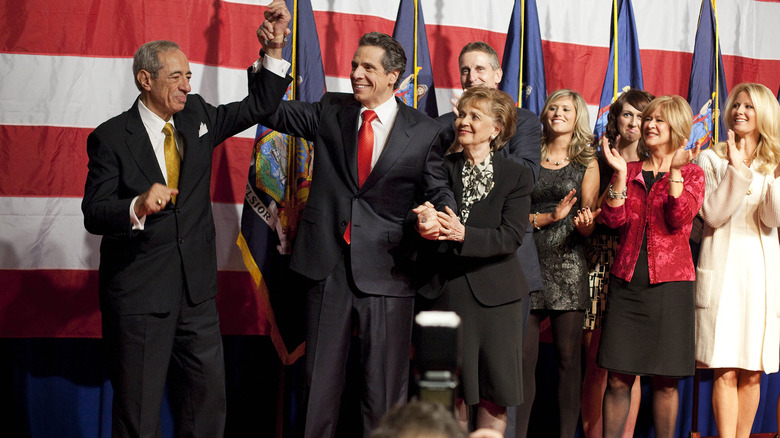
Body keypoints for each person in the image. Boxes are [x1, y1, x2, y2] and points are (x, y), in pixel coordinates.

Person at [80, 3, 292, 436]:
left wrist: (273, 46)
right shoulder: (111, 137)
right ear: (145, 80)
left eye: (189, 76)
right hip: (140, 298)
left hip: (196, 296)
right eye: (176, 76)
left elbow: (260, 105)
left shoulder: (197, 115)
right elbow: (94, 212)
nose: (186, 85)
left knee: (207, 406)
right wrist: (137, 205)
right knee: (138, 415)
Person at [256, 15, 456, 435]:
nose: (356, 74)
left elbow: (438, 191)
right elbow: (268, 110)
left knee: (383, 394)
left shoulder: (424, 131)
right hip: (326, 267)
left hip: (390, 270)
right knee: (317, 389)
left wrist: (438, 217)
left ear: (393, 76)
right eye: (354, 65)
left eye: (367, 67)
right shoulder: (331, 109)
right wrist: (274, 53)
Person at [416, 87, 534, 433]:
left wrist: (464, 234)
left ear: (496, 128)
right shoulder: (440, 168)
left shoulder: (517, 174)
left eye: (474, 117)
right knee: (447, 392)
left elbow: (511, 236)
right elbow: (422, 216)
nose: (463, 122)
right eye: (462, 115)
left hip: (498, 299)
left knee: (493, 393)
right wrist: (423, 222)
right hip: (446, 292)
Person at [597, 95, 704, 438]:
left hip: (670, 287)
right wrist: (616, 175)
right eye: (648, 119)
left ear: (677, 128)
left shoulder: (692, 174)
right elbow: (613, 221)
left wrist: (673, 172)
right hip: (627, 283)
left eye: (659, 120)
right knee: (617, 379)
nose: (650, 125)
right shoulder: (628, 171)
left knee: (666, 383)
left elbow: (678, 218)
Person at [695, 82, 780, 438]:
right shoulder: (711, 157)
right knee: (725, 368)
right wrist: (737, 169)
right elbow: (713, 215)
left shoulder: (773, 163)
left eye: (749, 106)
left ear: (764, 115)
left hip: (758, 276)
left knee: (752, 370)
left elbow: (772, 218)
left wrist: (774, 178)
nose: (740, 111)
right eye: (737, 105)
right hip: (724, 269)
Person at [516, 89, 599, 438]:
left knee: (568, 361)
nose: (558, 113)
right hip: (527, 261)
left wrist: (585, 224)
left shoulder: (588, 162)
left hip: (568, 264)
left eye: (566, 108)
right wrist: (545, 217)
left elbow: (591, 215)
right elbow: (514, 208)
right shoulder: (528, 153)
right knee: (522, 362)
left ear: (577, 116)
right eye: (553, 107)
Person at [581, 89, 654, 438]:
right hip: (600, 263)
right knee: (596, 362)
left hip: (636, 264)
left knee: (628, 368)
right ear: (616, 119)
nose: (634, 123)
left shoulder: (654, 163)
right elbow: (592, 210)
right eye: (627, 115)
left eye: (642, 116)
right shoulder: (598, 159)